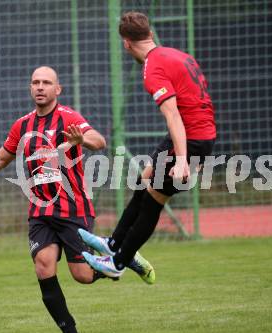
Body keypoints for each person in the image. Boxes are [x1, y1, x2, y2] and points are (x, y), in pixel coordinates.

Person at [0, 66, 149, 333]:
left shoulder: (68, 118)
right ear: (30, 88)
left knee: (82, 275)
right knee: (43, 265)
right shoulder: (22, 125)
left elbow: (98, 141)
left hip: (73, 208)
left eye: (46, 83)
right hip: (40, 210)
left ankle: (122, 258)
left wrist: (82, 140)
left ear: (57, 89)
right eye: (35, 82)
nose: (40, 87)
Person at [80, 11, 216, 278]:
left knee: (154, 200)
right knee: (145, 179)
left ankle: (118, 263)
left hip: (192, 140)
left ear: (126, 43)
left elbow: (173, 114)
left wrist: (180, 159)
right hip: (196, 133)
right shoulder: (178, 55)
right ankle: (115, 242)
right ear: (150, 34)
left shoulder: (153, 69)